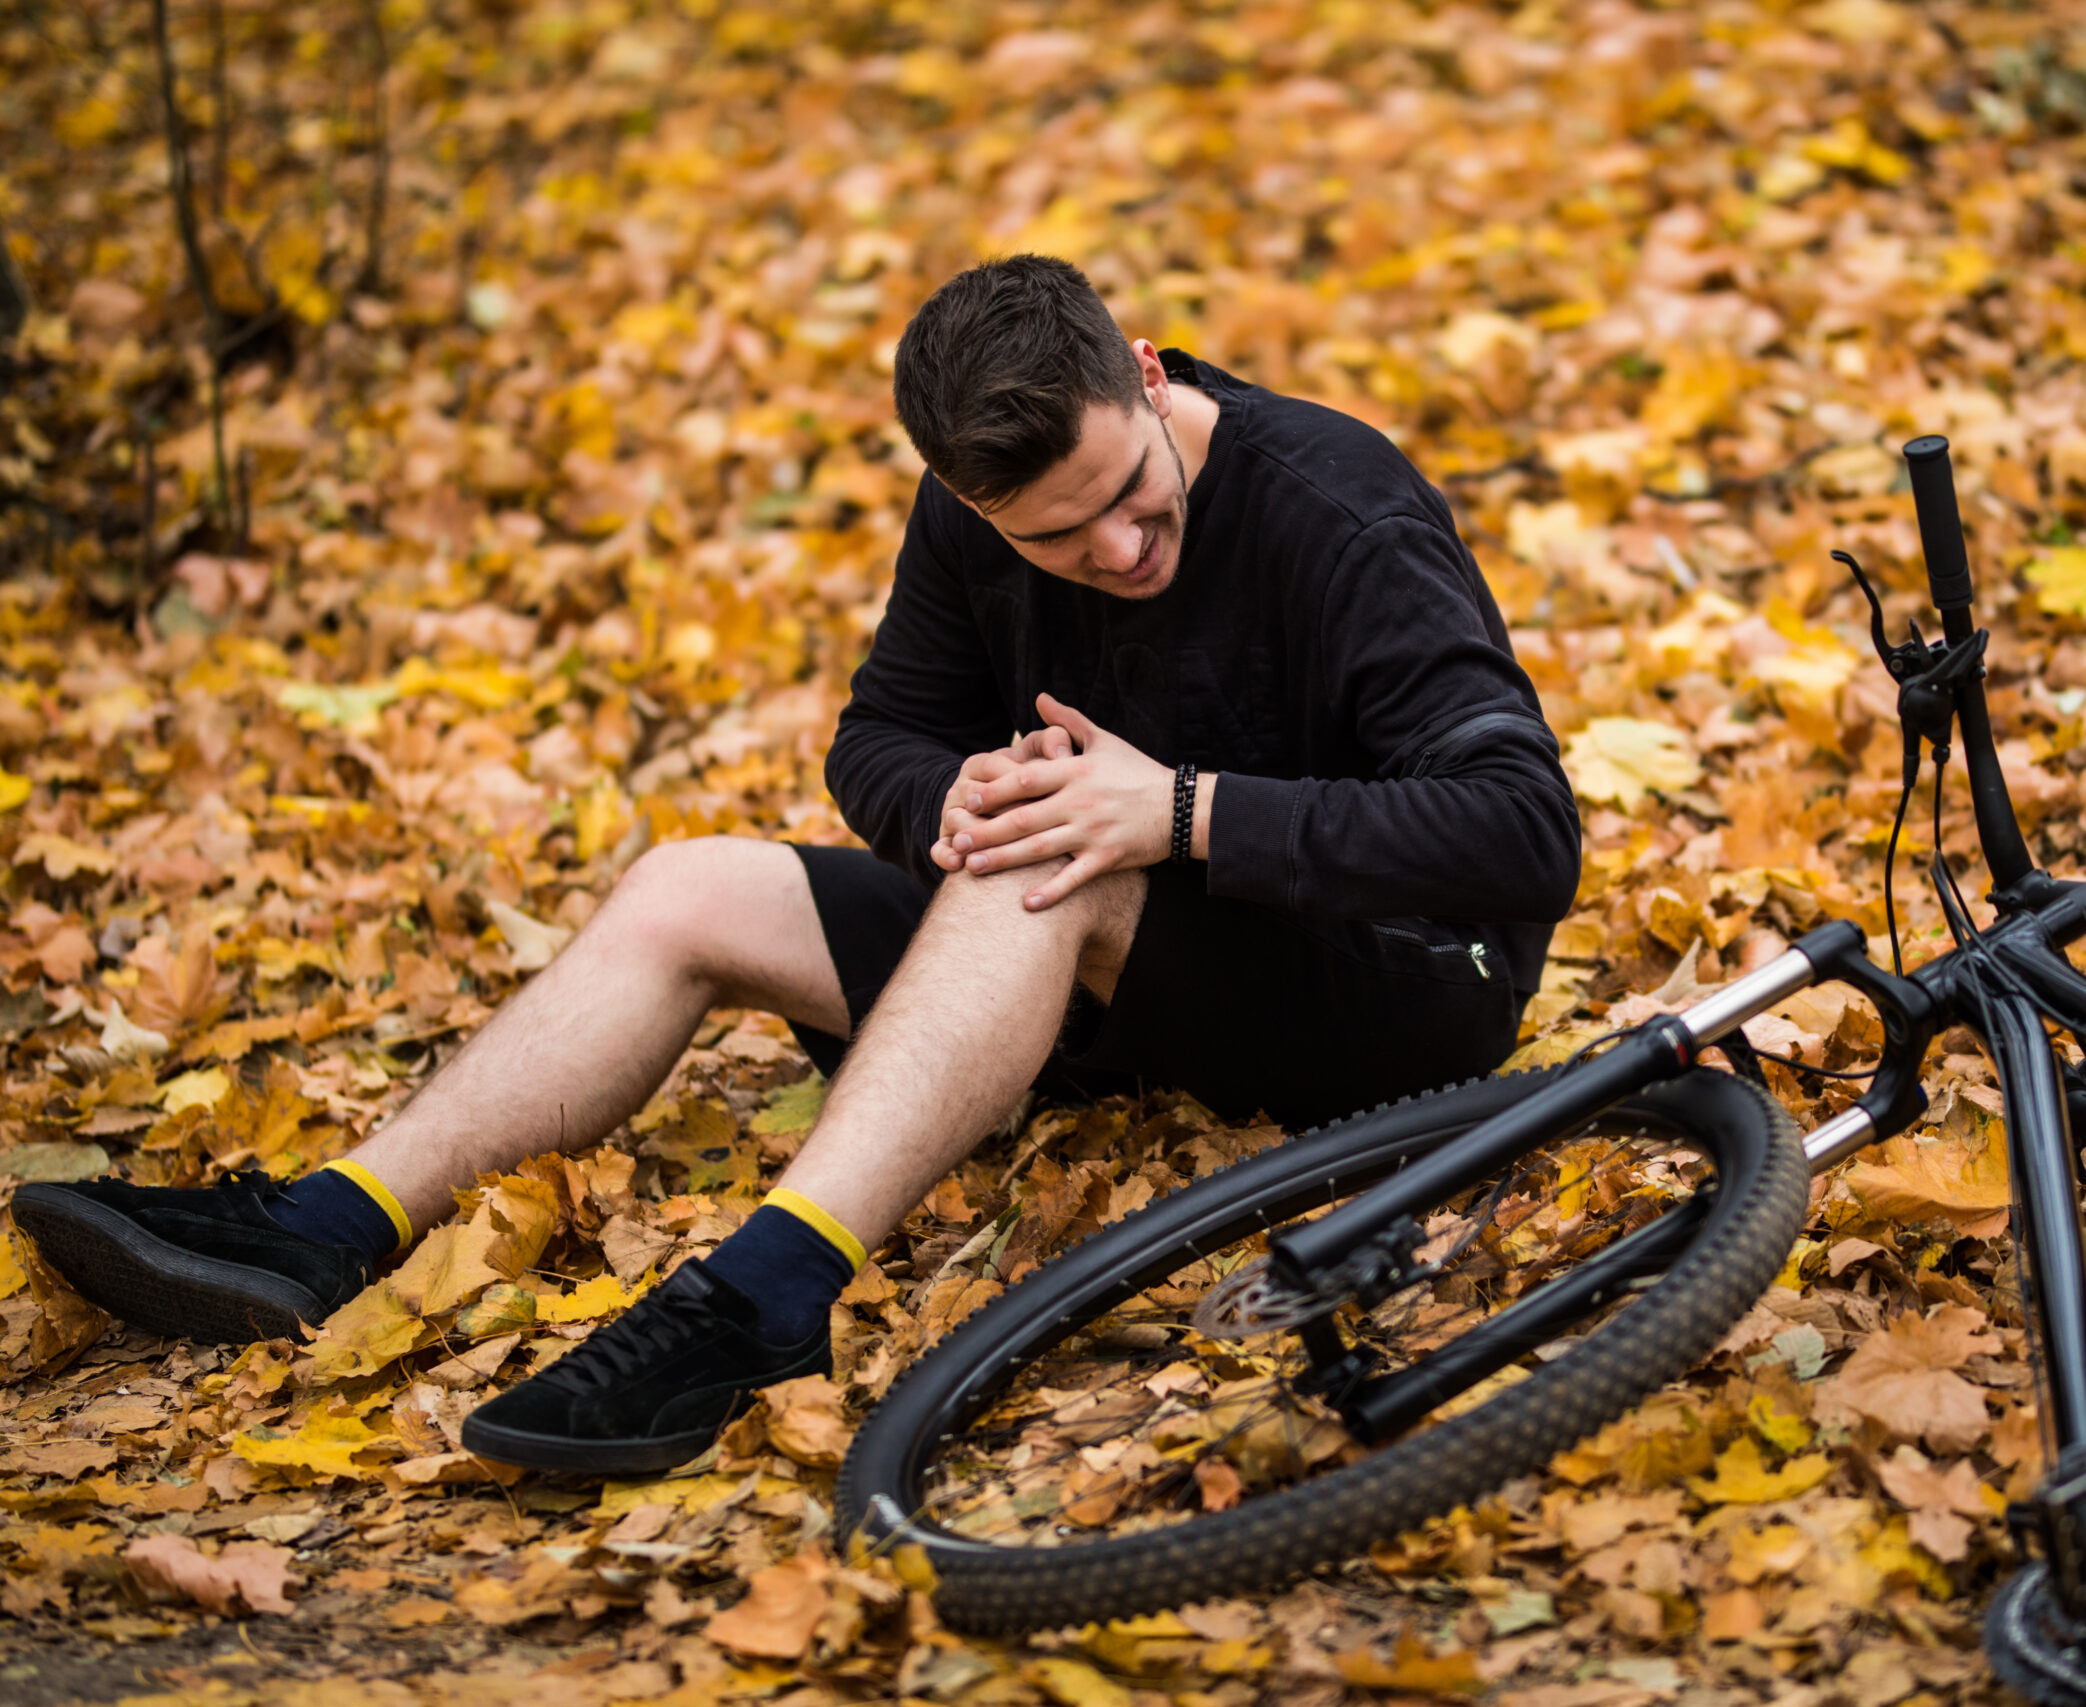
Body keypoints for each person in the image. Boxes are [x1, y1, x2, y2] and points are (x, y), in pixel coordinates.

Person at [13, 255, 1579, 1474]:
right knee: (691, 882)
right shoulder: (979, 508)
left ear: (1149, 378)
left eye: (1124, 497)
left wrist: (1179, 812)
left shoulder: (1336, 509)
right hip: (1118, 964)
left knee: (1062, 856)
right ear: (975, 501)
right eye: (1052, 537)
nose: (1108, 552)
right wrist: (944, 798)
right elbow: (879, 739)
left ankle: (765, 1298)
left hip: (1400, 989)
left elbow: (1524, 837)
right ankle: (329, 1228)